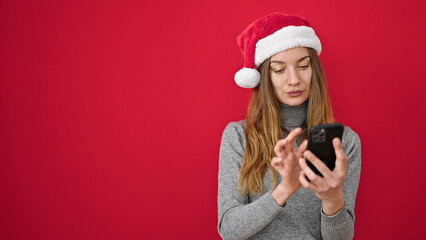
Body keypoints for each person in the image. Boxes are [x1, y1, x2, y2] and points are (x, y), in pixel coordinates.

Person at [217, 13, 361, 240]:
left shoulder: (344, 143)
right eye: (280, 69)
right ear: (265, 77)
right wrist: (285, 189)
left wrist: (332, 199)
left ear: (314, 70)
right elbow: (229, 230)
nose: (294, 79)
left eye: (303, 66)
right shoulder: (238, 136)